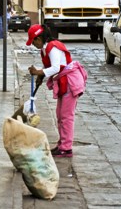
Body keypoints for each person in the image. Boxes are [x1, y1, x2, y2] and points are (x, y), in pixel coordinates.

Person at [26, 24, 87, 158]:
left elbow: (55, 68)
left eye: (34, 41)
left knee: (66, 116)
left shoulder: (53, 47)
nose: (34, 44)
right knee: (60, 115)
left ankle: (66, 148)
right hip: (63, 82)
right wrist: (40, 76)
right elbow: (48, 66)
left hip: (70, 82)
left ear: (39, 38)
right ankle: (62, 144)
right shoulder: (45, 49)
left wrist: (39, 72)